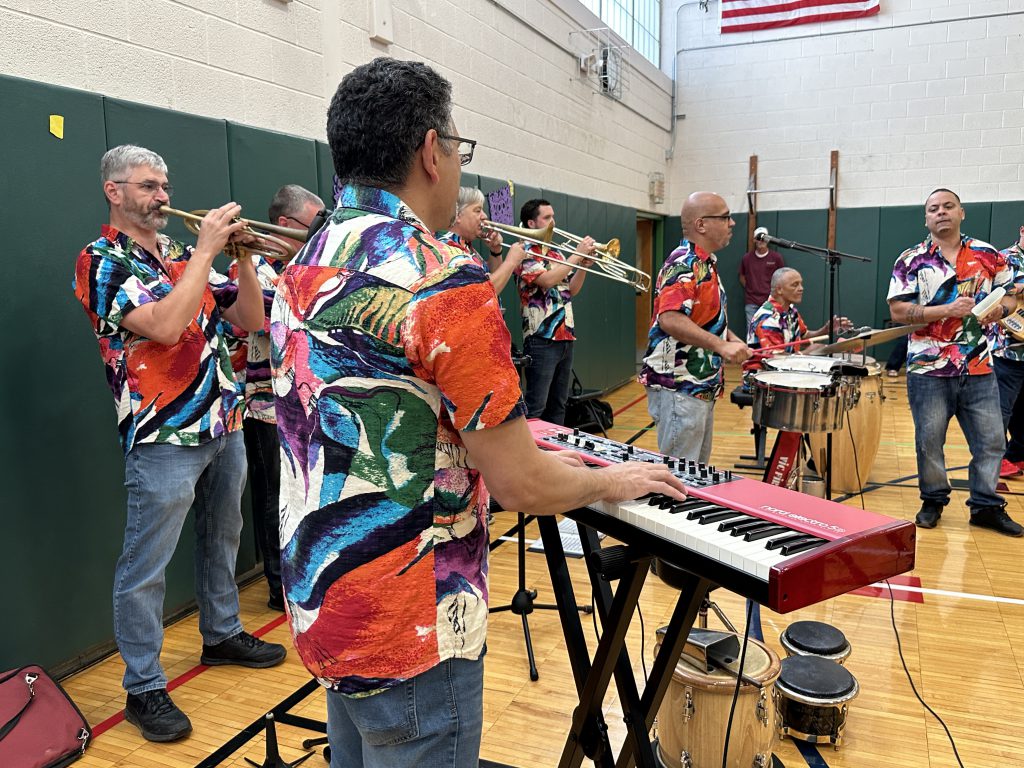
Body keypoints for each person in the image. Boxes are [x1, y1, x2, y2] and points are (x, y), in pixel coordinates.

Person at [269, 57, 686, 768]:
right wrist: (611, 481)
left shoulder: (307, 260)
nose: (460, 166)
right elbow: (523, 483)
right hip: (413, 626)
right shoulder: (444, 280)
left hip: (324, 595)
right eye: (459, 149)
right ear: (431, 151)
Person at [72, 145, 288, 743]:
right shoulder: (100, 260)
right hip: (161, 431)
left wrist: (242, 259)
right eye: (147, 186)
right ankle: (143, 687)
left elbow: (249, 319)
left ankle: (220, 633)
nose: (162, 197)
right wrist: (208, 253)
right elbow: (166, 326)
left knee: (223, 537)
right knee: (146, 565)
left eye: (164, 185)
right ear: (114, 192)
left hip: (224, 419)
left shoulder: (181, 254)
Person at [887, 188, 1022, 536]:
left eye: (948, 206)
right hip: (928, 370)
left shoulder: (987, 254)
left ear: (962, 212)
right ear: (926, 218)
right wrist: (945, 310)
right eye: (934, 209)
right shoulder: (911, 260)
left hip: (979, 366)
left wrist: (1000, 310)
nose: (941, 212)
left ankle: (986, 506)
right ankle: (933, 499)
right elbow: (898, 310)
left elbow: (1010, 295)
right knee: (929, 441)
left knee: (991, 441)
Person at [238, 184, 324, 610]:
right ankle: (279, 586)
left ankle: (300, 570)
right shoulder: (256, 268)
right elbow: (280, 315)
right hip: (266, 403)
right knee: (274, 495)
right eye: (315, 225)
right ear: (286, 226)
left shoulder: (303, 265)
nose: (321, 235)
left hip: (303, 398)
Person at [639, 192, 753, 463]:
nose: (732, 223)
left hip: (698, 384)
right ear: (701, 225)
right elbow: (670, 318)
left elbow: (709, 321)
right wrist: (721, 346)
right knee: (681, 475)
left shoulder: (705, 263)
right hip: (679, 384)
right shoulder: (683, 264)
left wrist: (734, 341)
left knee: (695, 473)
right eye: (725, 217)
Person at [514, 198, 597, 425]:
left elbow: (571, 289)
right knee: (536, 406)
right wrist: (577, 255)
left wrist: (583, 266)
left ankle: (554, 456)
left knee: (558, 406)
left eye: (553, 216)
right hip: (541, 338)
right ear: (531, 223)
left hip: (565, 336)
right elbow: (547, 281)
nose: (553, 221)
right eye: (547, 217)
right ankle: (531, 458)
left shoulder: (556, 253)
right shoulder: (524, 252)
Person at [745, 267, 848, 360]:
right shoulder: (768, 318)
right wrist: (806, 353)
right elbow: (775, 358)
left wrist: (825, 330)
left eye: (801, 284)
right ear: (779, 289)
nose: (801, 288)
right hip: (764, 376)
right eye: (795, 285)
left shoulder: (791, 311)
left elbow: (803, 335)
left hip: (785, 371)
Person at [442, 186, 526, 293]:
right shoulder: (449, 248)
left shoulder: (465, 245)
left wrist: (496, 252)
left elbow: (491, 275)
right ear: (457, 215)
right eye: (478, 211)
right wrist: (511, 262)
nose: (484, 216)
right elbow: (482, 293)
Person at [992, 226, 1024, 479]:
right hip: (1008, 349)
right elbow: (998, 294)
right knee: (1002, 408)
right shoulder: (1004, 258)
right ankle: (998, 458)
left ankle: (1018, 454)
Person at [739, 235, 785, 329]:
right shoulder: (747, 258)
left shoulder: (776, 257)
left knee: (771, 329)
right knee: (752, 330)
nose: (761, 241)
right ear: (754, 240)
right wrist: (750, 288)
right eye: (758, 238)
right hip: (751, 301)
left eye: (763, 238)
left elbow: (782, 277)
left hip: (770, 301)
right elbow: (742, 276)